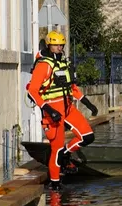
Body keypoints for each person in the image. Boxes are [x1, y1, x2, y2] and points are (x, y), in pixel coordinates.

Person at [26, 31, 99, 190]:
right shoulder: (44, 65)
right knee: (56, 149)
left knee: (87, 136)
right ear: (49, 45)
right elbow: (32, 91)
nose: (59, 47)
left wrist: (88, 103)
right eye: (56, 45)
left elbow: (71, 87)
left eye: (61, 45)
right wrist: (48, 109)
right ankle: (55, 184)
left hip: (68, 107)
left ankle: (66, 154)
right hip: (53, 111)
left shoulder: (64, 63)